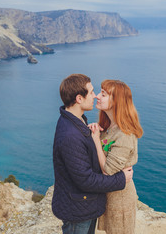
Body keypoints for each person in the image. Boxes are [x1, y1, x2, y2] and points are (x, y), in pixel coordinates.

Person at [52, 74, 134, 234]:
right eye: (91, 92)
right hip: (78, 210)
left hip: (82, 205)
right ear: (79, 99)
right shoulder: (70, 135)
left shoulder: (76, 121)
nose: (95, 96)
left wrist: (93, 135)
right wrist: (121, 179)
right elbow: (86, 181)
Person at [89, 80, 143, 234]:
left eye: (103, 94)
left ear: (116, 101)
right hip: (109, 195)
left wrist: (95, 140)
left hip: (120, 198)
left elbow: (108, 170)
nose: (97, 96)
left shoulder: (124, 134)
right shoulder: (108, 127)